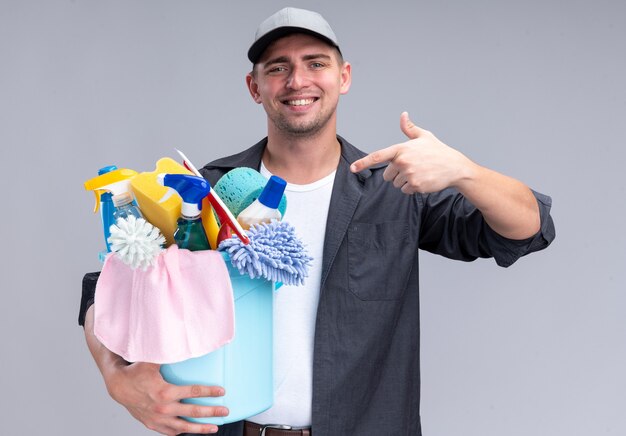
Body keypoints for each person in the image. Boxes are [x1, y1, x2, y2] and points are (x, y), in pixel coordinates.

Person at [79, 7, 555, 436]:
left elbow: (529, 227)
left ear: (343, 77)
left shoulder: (396, 188)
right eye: (277, 68)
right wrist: (117, 378)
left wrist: (464, 170)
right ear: (255, 86)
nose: (297, 80)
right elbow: (105, 288)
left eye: (316, 63)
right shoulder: (203, 192)